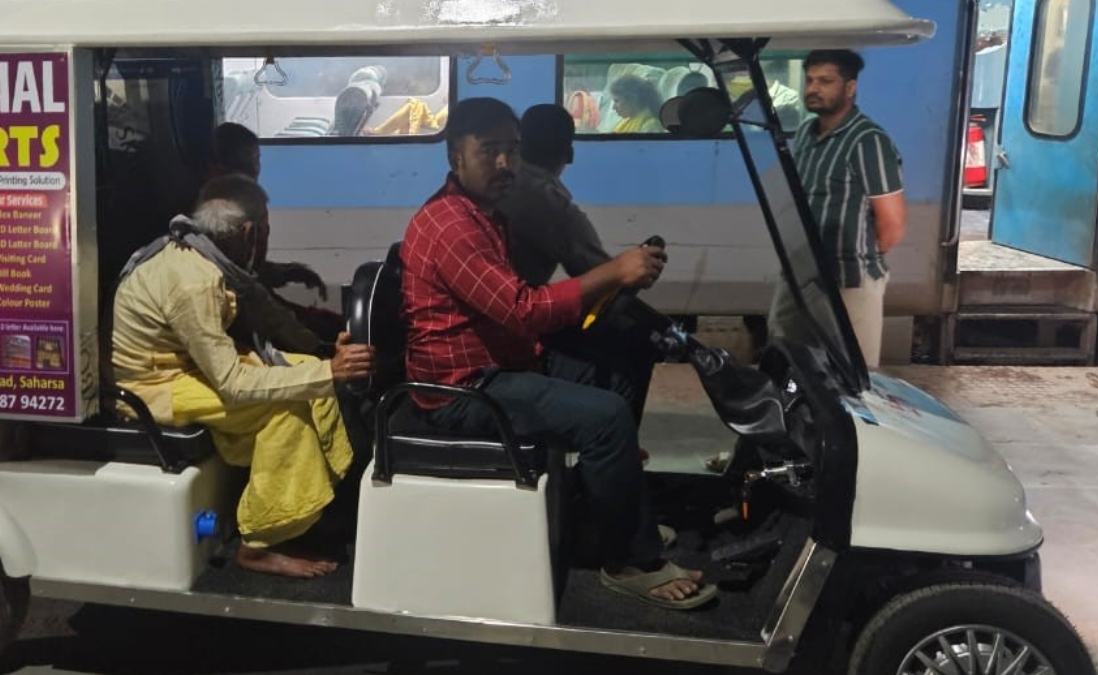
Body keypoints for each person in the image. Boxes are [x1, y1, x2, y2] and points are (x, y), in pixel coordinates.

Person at [398, 97, 715, 609]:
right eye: (490, 151)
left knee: (618, 370)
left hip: (501, 360)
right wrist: (614, 272)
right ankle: (629, 561)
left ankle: (607, 513)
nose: (505, 164)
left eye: (513, 151)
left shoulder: (483, 213)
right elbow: (523, 310)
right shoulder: (451, 225)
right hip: (464, 388)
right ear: (456, 155)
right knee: (606, 415)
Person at [110, 174, 376, 579]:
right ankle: (260, 542)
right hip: (155, 387)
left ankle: (314, 502)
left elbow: (271, 315)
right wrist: (330, 372)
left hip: (186, 369)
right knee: (287, 411)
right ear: (250, 233)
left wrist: (323, 356)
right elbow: (233, 385)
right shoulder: (195, 282)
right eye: (266, 231)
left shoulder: (212, 258)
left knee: (306, 375)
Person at [497, 104, 658, 430]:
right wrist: (629, 271)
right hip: (513, 329)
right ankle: (617, 440)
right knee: (641, 338)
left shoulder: (500, 190)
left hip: (505, 317)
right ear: (568, 153)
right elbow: (601, 274)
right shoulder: (548, 201)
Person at [768, 49, 906, 368]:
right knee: (785, 358)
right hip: (801, 274)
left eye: (826, 81)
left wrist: (855, 255)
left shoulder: (868, 141)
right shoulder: (805, 133)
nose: (813, 89)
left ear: (850, 88)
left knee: (851, 377)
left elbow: (893, 224)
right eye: (810, 80)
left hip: (849, 281)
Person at [206, 122, 345, 345]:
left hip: (256, 298)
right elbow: (237, 279)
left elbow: (248, 269)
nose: (254, 170)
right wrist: (322, 350)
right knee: (328, 329)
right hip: (242, 312)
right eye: (250, 162)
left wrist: (288, 272)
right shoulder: (223, 212)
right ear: (217, 168)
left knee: (329, 323)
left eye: (255, 161)